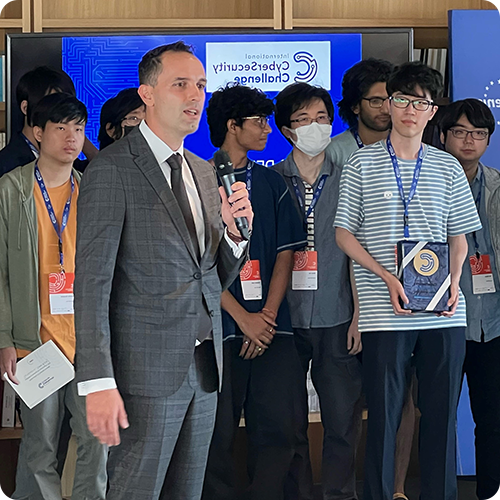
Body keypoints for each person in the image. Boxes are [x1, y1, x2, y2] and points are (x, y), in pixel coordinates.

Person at [74, 41, 253, 500]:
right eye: (180, 85)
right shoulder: (113, 169)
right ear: (147, 94)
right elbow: (92, 284)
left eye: (200, 86)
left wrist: (234, 238)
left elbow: (208, 277)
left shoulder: (205, 170)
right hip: (141, 374)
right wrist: (98, 381)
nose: (195, 97)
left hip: (203, 367)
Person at [334, 62, 482, 500]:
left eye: (421, 103)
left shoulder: (448, 167)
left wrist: (454, 282)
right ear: (391, 103)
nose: (409, 110)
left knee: (441, 417)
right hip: (385, 311)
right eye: (401, 100)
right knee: (383, 415)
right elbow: (343, 233)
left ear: (432, 111)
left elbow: (459, 236)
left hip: (444, 311)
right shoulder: (360, 163)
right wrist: (384, 276)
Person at [0, 92, 107, 500]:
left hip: (88, 340)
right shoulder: (11, 190)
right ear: (38, 132)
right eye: (61, 128)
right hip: (35, 341)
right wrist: (5, 339)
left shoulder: (92, 188)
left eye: (78, 128)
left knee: (96, 440)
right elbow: (2, 274)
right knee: (40, 446)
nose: (71, 138)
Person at [202, 84, 306, 500]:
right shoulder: (199, 181)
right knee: (215, 432)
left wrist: (265, 317)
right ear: (232, 125)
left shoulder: (272, 182)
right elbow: (199, 266)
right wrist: (242, 319)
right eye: (258, 121)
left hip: (271, 330)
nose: (267, 129)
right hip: (219, 329)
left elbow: (285, 254)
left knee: (278, 427)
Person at [329, 58, 415, 500]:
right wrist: (360, 310)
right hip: (347, 297)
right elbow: (344, 236)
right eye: (377, 99)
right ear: (355, 104)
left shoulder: (420, 151)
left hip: (411, 297)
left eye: (393, 98)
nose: (387, 108)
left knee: (404, 400)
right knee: (353, 405)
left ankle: (395, 490)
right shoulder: (337, 155)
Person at [273, 82, 362, 500]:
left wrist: (362, 315)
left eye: (323, 118)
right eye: (304, 120)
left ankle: (339, 494)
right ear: (287, 130)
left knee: (342, 419)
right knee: (288, 420)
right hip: (285, 318)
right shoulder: (270, 182)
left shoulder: (350, 179)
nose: (315, 127)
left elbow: (360, 255)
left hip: (338, 313)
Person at [440, 98, 500, 500]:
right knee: (438, 419)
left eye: (479, 134)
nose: (469, 141)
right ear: (443, 135)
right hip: (442, 322)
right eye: (460, 132)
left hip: (492, 323)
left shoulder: (497, 185)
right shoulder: (427, 183)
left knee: (493, 421)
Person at [0, 66, 97, 177]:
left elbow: (101, 171)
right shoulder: (7, 166)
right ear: (25, 108)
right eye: (50, 104)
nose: (61, 113)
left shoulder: (69, 159)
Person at [328, 58, 393, 168]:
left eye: (391, 100)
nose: (386, 109)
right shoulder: (333, 153)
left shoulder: (408, 147)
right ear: (355, 106)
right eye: (375, 101)